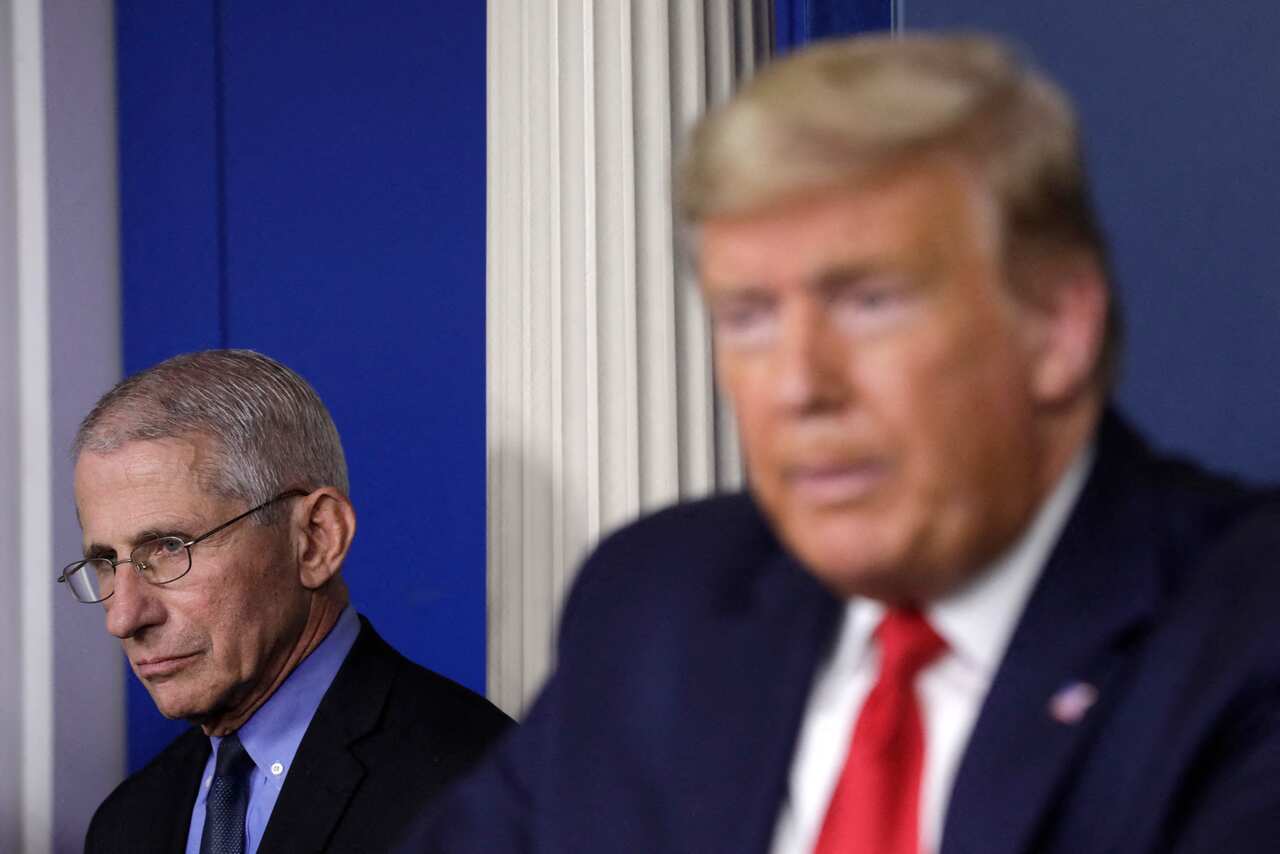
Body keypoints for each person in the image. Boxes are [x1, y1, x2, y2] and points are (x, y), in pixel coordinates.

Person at [401, 32, 1280, 854]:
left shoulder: (1243, 634)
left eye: (869, 302)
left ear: (1056, 325)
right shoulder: (657, 605)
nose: (799, 385)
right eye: (747, 317)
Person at [68, 349, 511, 854]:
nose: (124, 617)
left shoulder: (480, 792)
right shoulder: (126, 825)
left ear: (317, 538)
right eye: (105, 561)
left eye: (170, 548)